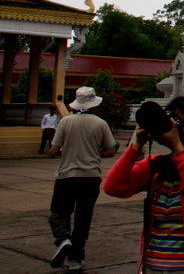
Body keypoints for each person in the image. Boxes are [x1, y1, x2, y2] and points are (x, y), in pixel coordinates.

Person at [104, 96, 184, 274]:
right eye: (174, 121)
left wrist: (177, 147)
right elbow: (113, 187)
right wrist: (136, 145)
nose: (177, 127)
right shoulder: (156, 166)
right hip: (154, 266)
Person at [49, 86, 117, 271]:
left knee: (59, 212)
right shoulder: (100, 123)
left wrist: (66, 151)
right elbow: (110, 151)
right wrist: (92, 152)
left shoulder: (66, 122)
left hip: (67, 176)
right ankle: (76, 258)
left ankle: (63, 239)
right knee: (83, 217)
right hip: (91, 176)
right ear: (94, 104)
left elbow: (54, 150)